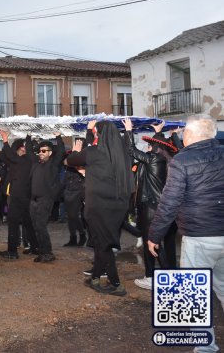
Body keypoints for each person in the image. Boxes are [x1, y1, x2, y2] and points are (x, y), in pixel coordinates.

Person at [148, 114, 224, 353]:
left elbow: (169, 202)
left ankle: (205, 348)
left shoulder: (182, 161)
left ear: (190, 135)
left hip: (199, 237)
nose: (182, 136)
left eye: (183, 132)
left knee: (194, 294)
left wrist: (154, 235)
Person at [67, 121, 134, 296]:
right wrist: (129, 132)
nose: (95, 136)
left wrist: (76, 149)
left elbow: (70, 160)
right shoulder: (122, 154)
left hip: (98, 206)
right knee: (101, 242)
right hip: (117, 207)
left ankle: (116, 285)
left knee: (102, 244)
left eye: (96, 133)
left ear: (100, 135)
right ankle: (95, 277)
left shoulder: (93, 152)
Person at [123, 118, 178, 290]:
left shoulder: (154, 160)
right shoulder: (167, 160)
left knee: (151, 242)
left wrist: (129, 130)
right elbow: (159, 145)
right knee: (160, 242)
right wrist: (158, 132)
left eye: (149, 145)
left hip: (151, 207)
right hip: (161, 206)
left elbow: (131, 149)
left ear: (154, 149)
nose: (147, 147)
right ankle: (165, 275)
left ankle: (154, 277)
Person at [0, 131, 37, 259]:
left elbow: (10, 155)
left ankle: (12, 252)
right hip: (22, 195)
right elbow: (5, 156)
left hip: (19, 196)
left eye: (22, 148)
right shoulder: (19, 162)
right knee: (28, 222)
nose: (20, 151)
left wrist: (5, 139)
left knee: (13, 222)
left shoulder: (26, 160)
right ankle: (35, 247)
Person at [28, 132, 65, 263]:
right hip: (33, 200)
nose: (41, 153)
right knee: (36, 227)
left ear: (50, 153)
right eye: (39, 151)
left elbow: (61, 151)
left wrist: (58, 137)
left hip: (45, 200)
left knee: (41, 227)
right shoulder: (36, 164)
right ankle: (42, 252)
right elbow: (28, 152)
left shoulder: (53, 164)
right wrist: (28, 136)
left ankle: (48, 253)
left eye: (44, 151)